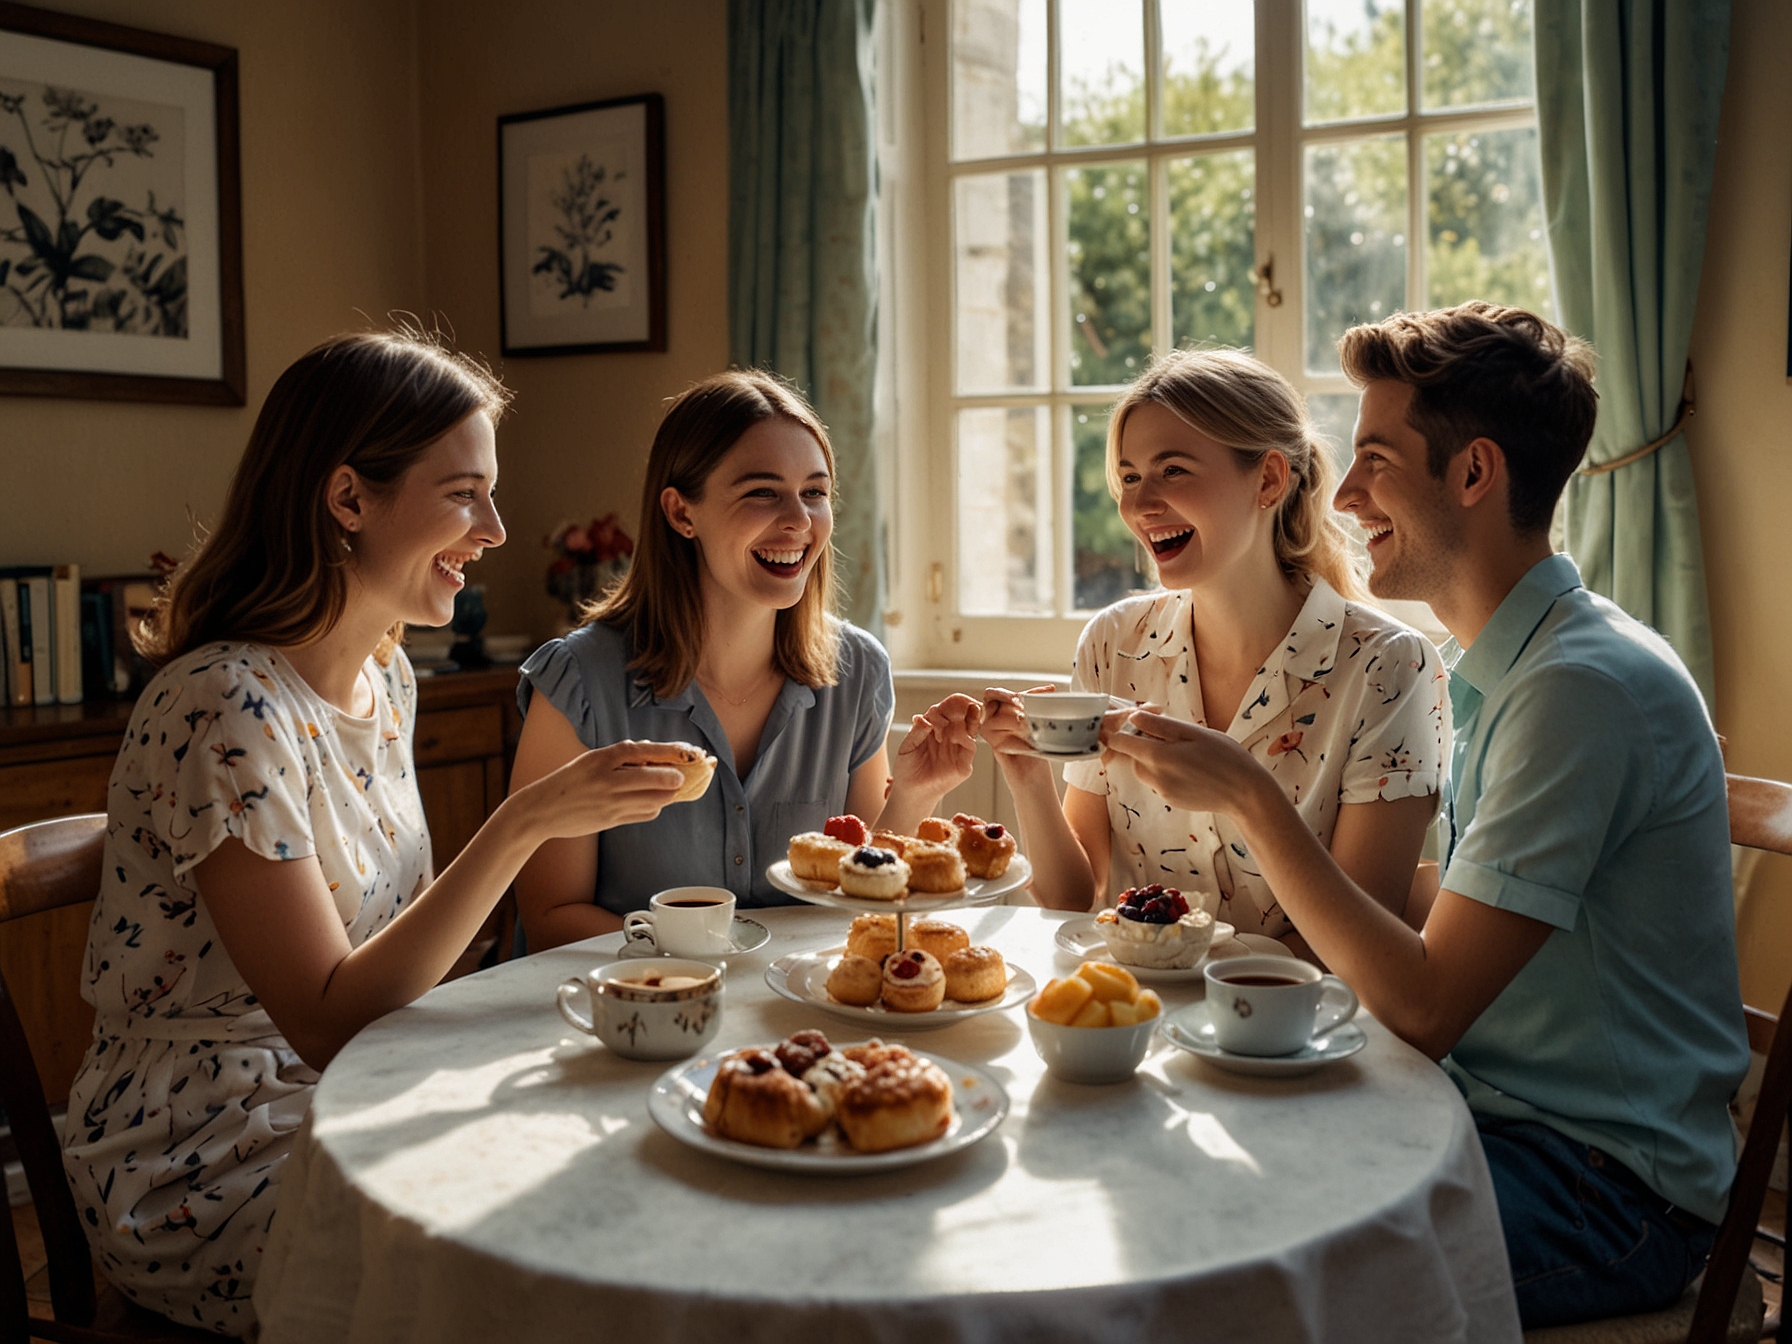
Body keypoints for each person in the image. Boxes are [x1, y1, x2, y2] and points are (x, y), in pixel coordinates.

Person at [1103, 303, 1749, 1329]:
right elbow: (1437, 937)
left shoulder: (1579, 689)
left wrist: (1250, 795)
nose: (1344, 492)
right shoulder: (1504, 673)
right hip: (1477, 1114)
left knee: (1229, 1265)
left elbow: (1424, 1005)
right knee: (1161, 1164)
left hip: (1601, 1184)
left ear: (1474, 474)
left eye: (1372, 458)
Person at [61, 330, 699, 1336]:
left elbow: (392, 959)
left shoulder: (386, 679)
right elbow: (327, 1017)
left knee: (626, 1155)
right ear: (348, 498)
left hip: (357, 1092)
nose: (494, 528)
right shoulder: (224, 706)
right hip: (205, 1155)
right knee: (550, 1242)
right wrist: (527, 820)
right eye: (463, 494)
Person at [962, 349, 1449, 958]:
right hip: (1137, 1017)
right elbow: (1070, 898)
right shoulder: (1113, 641)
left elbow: (1358, 946)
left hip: (1290, 1032)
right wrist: (1027, 776)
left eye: (1174, 471)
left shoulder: (1388, 667)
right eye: (1131, 477)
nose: (1140, 507)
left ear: (1269, 479)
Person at [508, 371, 970, 951]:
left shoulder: (857, 673)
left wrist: (915, 796)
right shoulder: (579, 682)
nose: (800, 521)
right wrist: (726, 961)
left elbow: (862, 893)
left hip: (789, 1025)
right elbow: (553, 917)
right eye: (762, 492)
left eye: (815, 492)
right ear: (681, 514)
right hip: (631, 1013)